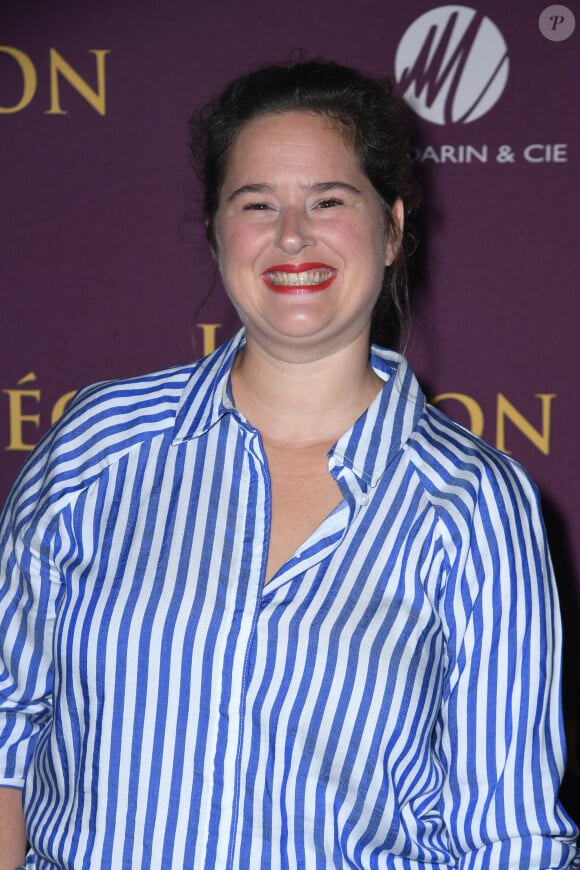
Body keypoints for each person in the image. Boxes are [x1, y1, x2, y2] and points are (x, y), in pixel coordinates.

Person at [0, 58, 578, 869]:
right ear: (214, 232)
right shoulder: (99, 443)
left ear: (394, 226)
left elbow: (508, 833)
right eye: (257, 204)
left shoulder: (475, 502)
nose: (293, 235)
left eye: (330, 201)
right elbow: (4, 728)